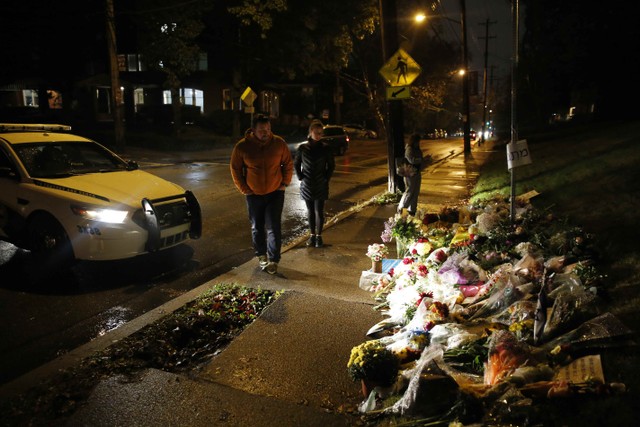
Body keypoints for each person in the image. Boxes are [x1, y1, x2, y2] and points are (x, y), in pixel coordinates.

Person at [230, 114, 293, 275]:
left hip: (275, 192)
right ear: (253, 130)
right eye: (261, 130)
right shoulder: (242, 147)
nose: (266, 133)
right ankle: (261, 255)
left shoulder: (279, 143)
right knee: (257, 227)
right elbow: (235, 169)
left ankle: (274, 260)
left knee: (273, 227)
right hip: (253, 194)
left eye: (268, 129)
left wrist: (284, 183)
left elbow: (288, 163)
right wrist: (244, 189)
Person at [294, 120, 335, 248]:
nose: (318, 135)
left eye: (320, 133)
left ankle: (319, 237)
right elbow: (296, 163)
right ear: (310, 132)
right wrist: (300, 176)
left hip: (320, 183)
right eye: (316, 132)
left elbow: (331, 165)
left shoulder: (325, 148)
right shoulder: (303, 148)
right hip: (307, 183)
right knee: (310, 211)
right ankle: (311, 236)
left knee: (319, 211)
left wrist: (325, 178)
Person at [397, 133, 430, 216]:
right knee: (410, 191)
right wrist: (422, 159)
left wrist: (424, 160)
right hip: (409, 173)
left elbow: (419, 160)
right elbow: (412, 160)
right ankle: (402, 208)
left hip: (417, 172)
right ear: (413, 141)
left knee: (416, 191)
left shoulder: (417, 149)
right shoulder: (409, 149)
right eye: (417, 141)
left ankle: (412, 209)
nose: (418, 143)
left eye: (418, 142)